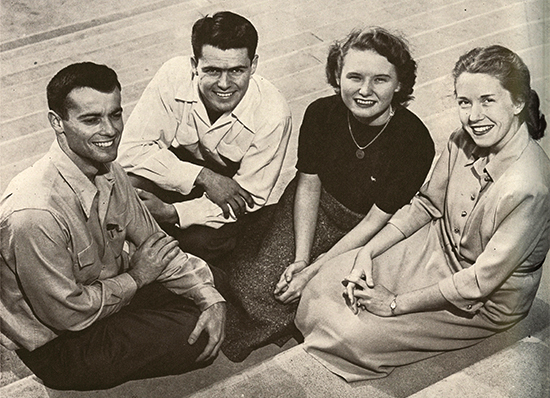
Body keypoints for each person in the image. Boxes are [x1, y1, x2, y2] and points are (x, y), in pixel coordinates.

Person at [295, 45, 549, 381]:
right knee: (324, 282)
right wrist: (367, 251)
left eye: (487, 100)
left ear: (518, 102)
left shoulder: (531, 187)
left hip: (482, 297)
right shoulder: (462, 139)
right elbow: (426, 205)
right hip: (434, 246)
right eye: (464, 102)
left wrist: (396, 303)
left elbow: (478, 283)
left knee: (355, 337)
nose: (474, 116)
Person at [0, 62, 227, 391]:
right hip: (61, 342)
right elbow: (68, 315)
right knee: (193, 333)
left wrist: (210, 298)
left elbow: (156, 243)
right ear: (57, 123)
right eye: (91, 119)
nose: (110, 130)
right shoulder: (34, 214)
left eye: (115, 114)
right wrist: (137, 278)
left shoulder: (109, 169)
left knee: (214, 285)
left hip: (107, 292)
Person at [221, 27, 435, 361]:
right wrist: (302, 259)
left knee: (315, 299)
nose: (364, 91)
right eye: (354, 77)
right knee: (258, 283)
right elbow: (308, 185)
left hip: (367, 230)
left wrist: (316, 270)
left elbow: (377, 220)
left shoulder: (415, 142)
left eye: (380, 79)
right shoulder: (321, 113)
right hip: (313, 210)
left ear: (400, 84)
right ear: (337, 76)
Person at [117, 11, 293, 263]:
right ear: (193, 65)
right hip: (177, 172)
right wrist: (203, 177)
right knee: (125, 191)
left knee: (204, 243)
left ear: (253, 65)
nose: (224, 84)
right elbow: (130, 151)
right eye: (211, 70)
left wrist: (171, 212)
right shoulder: (173, 74)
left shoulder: (274, 114)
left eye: (236, 70)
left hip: (228, 195)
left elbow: (249, 197)